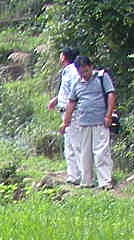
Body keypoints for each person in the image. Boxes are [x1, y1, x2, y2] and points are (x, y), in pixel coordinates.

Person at [60, 55, 116, 191]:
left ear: (91, 67)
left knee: (101, 151)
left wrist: (108, 115)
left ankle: (105, 181)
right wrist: (65, 122)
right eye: (81, 72)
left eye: (86, 71)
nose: (84, 74)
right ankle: (87, 181)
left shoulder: (102, 77)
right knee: (84, 153)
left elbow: (111, 95)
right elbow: (71, 103)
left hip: (100, 122)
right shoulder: (77, 83)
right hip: (83, 123)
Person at [51, 48, 82, 183]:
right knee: (69, 144)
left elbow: (74, 93)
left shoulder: (72, 72)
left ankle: (81, 175)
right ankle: (73, 175)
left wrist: (68, 116)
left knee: (75, 144)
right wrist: (56, 100)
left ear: (63, 57)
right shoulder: (68, 72)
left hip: (72, 112)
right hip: (66, 111)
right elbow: (67, 91)